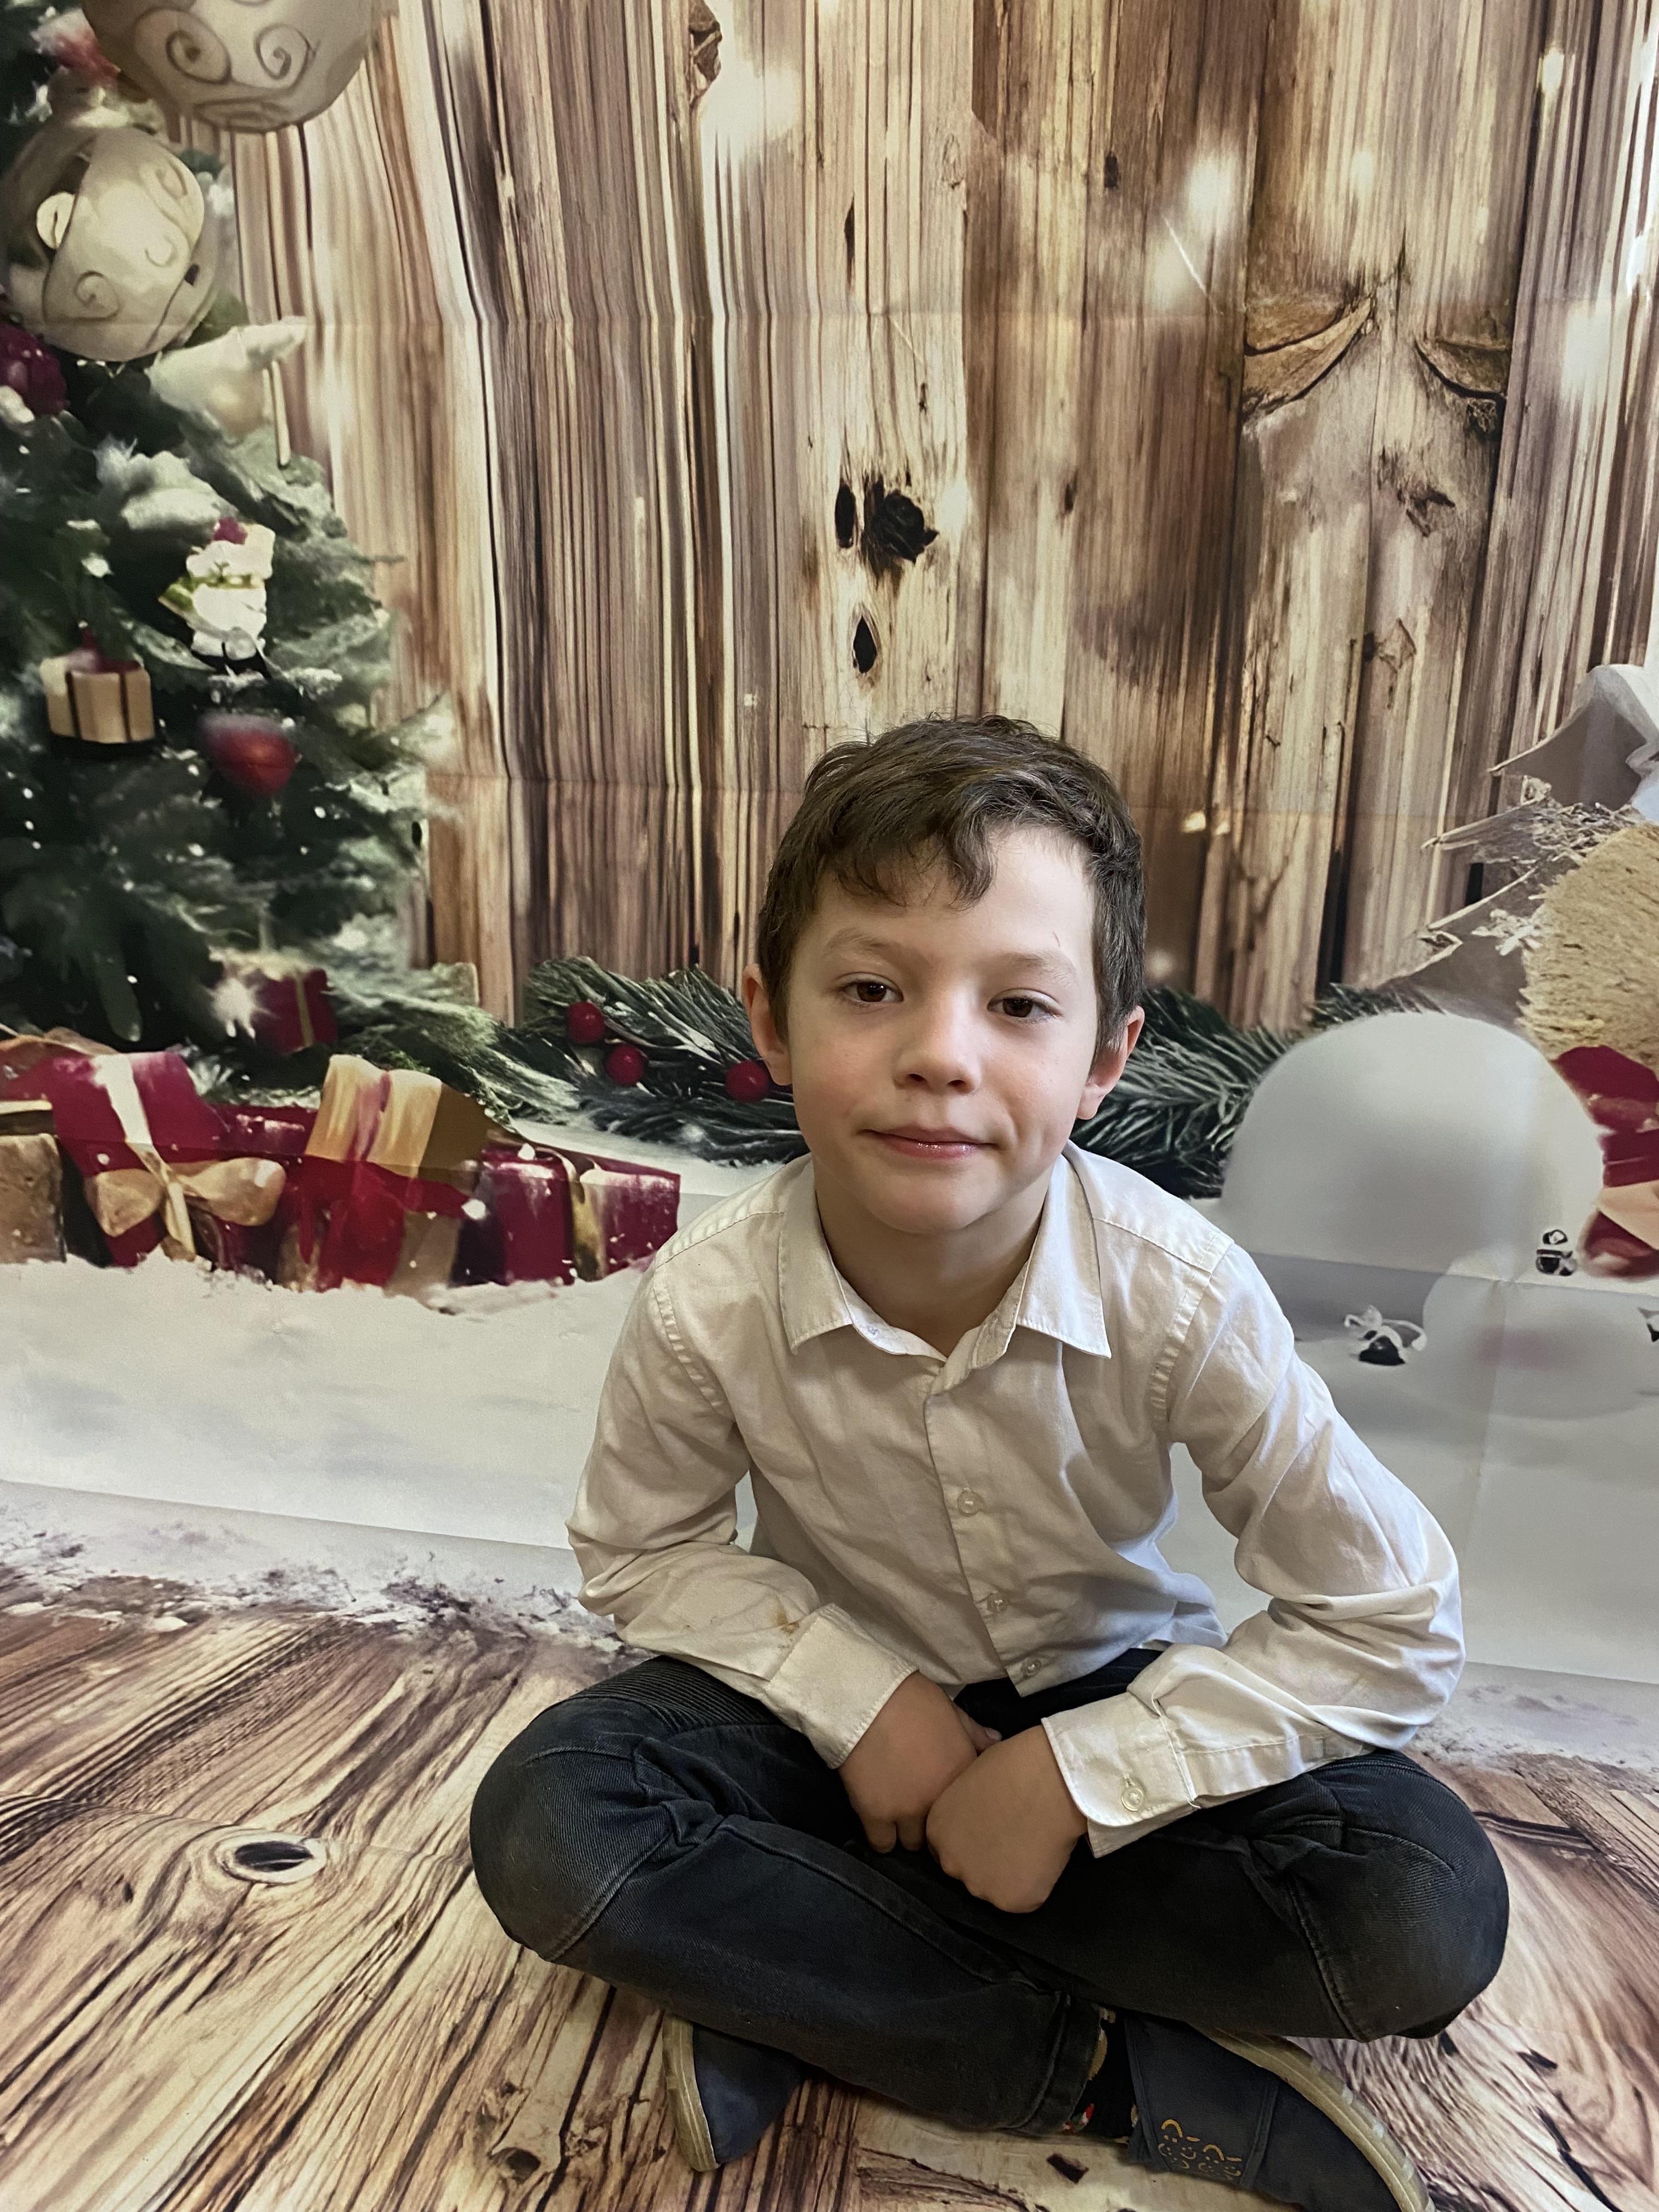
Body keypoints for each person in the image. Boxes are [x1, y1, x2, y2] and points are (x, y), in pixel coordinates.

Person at [470, 717, 1508, 2208]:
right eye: (872, 989)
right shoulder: (710, 1297)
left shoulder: (1179, 1290)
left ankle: (797, 1968)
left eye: (1018, 1004)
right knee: (555, 1823)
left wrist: (1086, 1777)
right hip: (817, 1733)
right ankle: (1101, 2072)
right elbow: (644, 1550)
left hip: (1099, 1692)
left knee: (1421, 1908)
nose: (941, 1056)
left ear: (1106, 1059)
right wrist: (860, 1699)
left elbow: (1391, 1614)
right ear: (772, 1021)